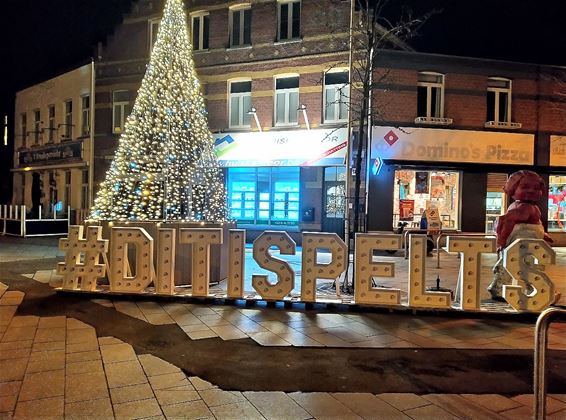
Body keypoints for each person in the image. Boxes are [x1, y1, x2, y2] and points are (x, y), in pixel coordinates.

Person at [488, 170, 552, 300]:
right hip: (520, 246)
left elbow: (530, 225)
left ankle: (500, 288)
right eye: (525, 187)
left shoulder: (526, 207)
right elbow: (515, 222)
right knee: (523, 268)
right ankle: (536, 290)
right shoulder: (523, 207)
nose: (531, 191)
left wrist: (542, 234)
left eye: (536, 188)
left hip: (524, 246)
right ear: (512, 189)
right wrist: (502, 240)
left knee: (518, 268)